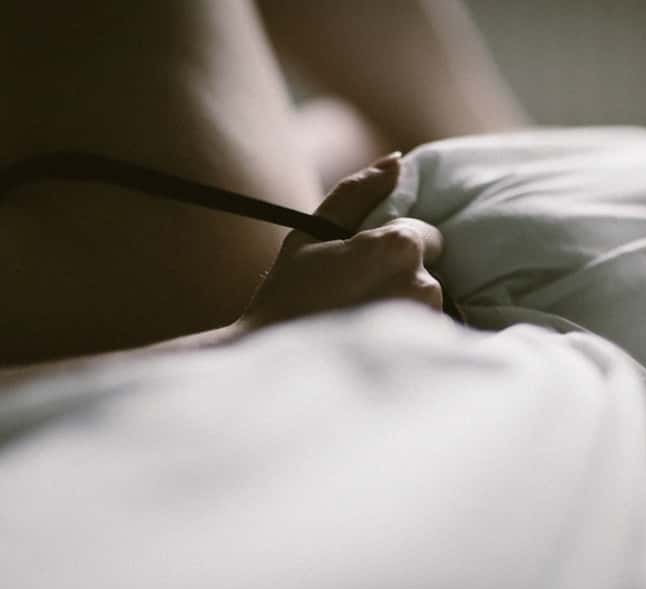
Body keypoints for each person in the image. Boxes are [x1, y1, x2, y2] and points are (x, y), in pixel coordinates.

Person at [0, 1, 526, 366]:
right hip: (199, 323)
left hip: (282, 216)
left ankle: (521, 162)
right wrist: (249, 336)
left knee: (360, 140)